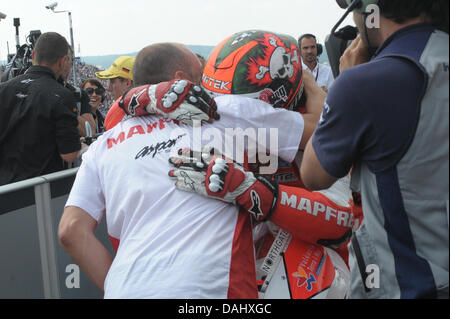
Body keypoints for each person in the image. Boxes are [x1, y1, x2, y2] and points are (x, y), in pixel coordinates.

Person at [58, 37, 319, 298]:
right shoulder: (221, 110)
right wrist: (307, 79)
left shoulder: (103, 144)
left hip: (126, 289)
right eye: (202, 77)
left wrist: (119, 286)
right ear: (181, 77)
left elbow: (70, 230)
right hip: (209, 289)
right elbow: (322, 128)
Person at [300, 0, 449, 299]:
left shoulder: (361, 83)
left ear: (369, 12)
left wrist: (342, 85)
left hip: (409, 285)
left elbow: (314, 175)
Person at [0, 32, 84, 186]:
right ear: (62, 61)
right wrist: (80, 145)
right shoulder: (62, 95)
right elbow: (70, 155)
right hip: (42, 194)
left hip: (5, 194)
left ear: (33, 55)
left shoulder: (3, 89)